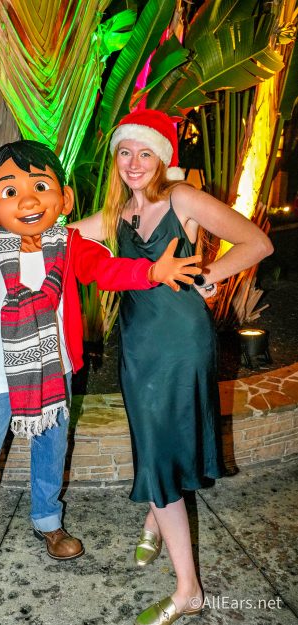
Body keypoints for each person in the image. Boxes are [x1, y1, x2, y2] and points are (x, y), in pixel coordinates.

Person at [0, 139, 202, 599]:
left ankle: (48, 521)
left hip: (54, 371)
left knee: (51, 449)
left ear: (64, 199)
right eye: (9, 191)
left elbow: (108, 269)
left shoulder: (69, 244)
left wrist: (150, 272)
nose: (28, 200)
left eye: (40, 186)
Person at [72, 109, 274, 625]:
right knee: (156, 440)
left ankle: (189, 590)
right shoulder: (117, 214)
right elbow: (64, 237)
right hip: (138, 347)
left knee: (159, 447)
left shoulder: (181, 198)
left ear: (162, 157)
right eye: (125, 152)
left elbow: (257, 242)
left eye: (145, 152)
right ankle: (155, 518)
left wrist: (208, 275)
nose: (134, 162)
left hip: (181, 343)